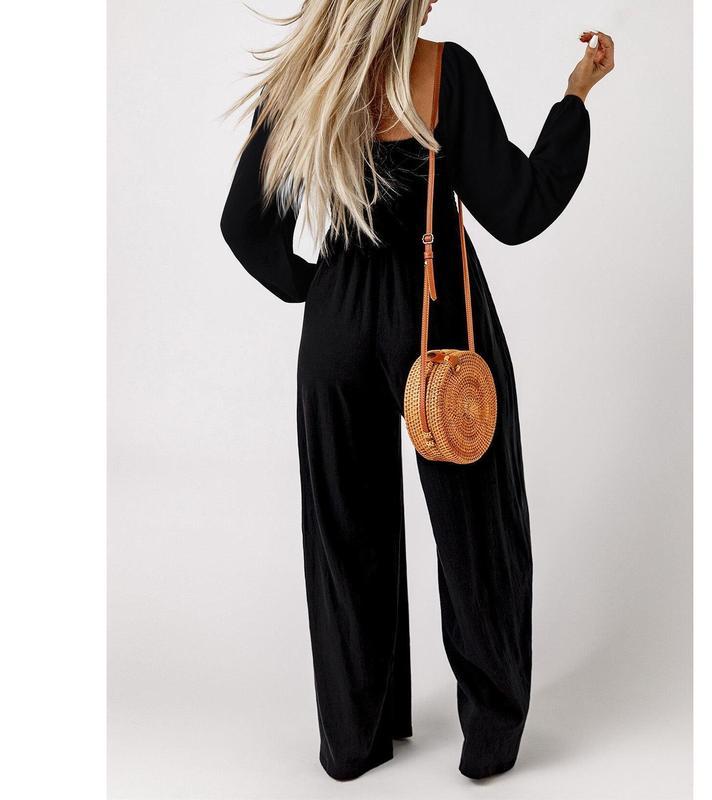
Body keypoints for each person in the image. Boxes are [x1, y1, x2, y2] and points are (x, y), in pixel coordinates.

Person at [220, 0, 614, 782]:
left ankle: (353, 742)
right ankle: (489, 741)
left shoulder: (301, 78)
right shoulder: (444, 71)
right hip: (435, 322)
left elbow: (244, 226)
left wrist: (316, 289)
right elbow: (518, 208)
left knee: (345, 535)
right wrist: (575, 98)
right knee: (477, 528)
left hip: (335, 328)